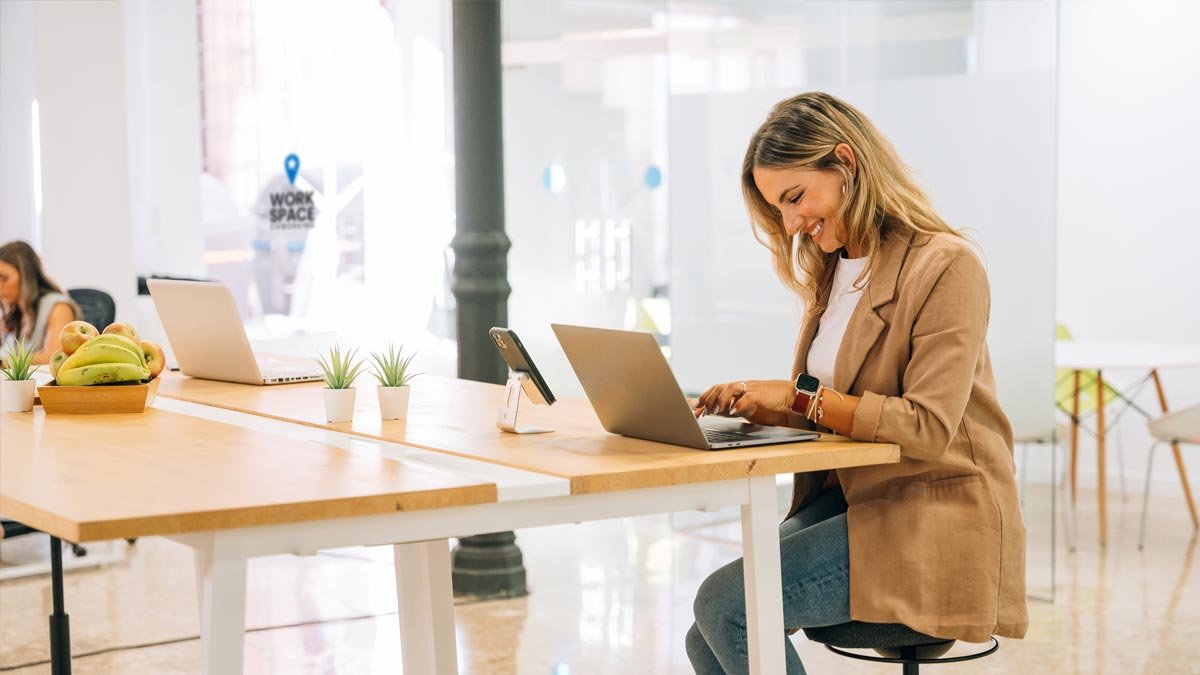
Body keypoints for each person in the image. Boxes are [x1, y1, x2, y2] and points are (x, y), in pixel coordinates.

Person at [685, 93, 1027, 674]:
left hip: (933, 517)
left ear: (845, 162)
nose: (791, 223)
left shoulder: (946, 265)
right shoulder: (835, 271)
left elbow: (925, 426)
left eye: (795, 198)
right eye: (779, 208)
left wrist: (798, 396)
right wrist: (769, 407)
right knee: (708, 632)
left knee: (727, 607)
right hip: (856, 503)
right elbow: (838, 405)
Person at [0, 241, 80, 365]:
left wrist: (4, 362)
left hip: (40, 383)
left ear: (27, 277)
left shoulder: (58, 307)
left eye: (4, 278)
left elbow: (54, 357)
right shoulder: (13, 312)